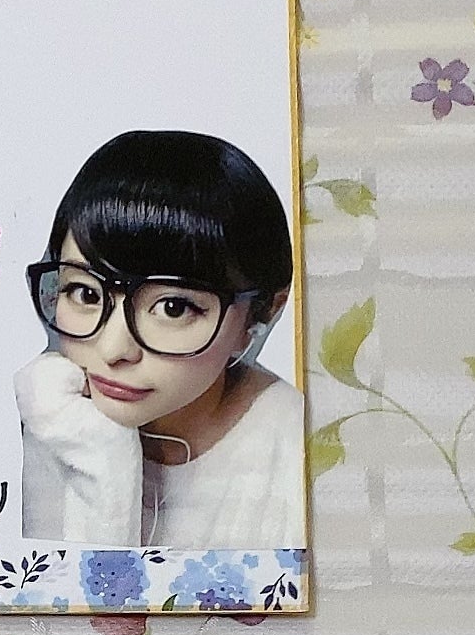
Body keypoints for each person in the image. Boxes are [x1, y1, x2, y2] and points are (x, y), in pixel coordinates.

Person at [16, 129, 303, 549]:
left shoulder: (305, 459)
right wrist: (99, 454)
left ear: (262, 312)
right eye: (86, 294)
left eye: (173, 307)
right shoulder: (46, 411)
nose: (113, 350)